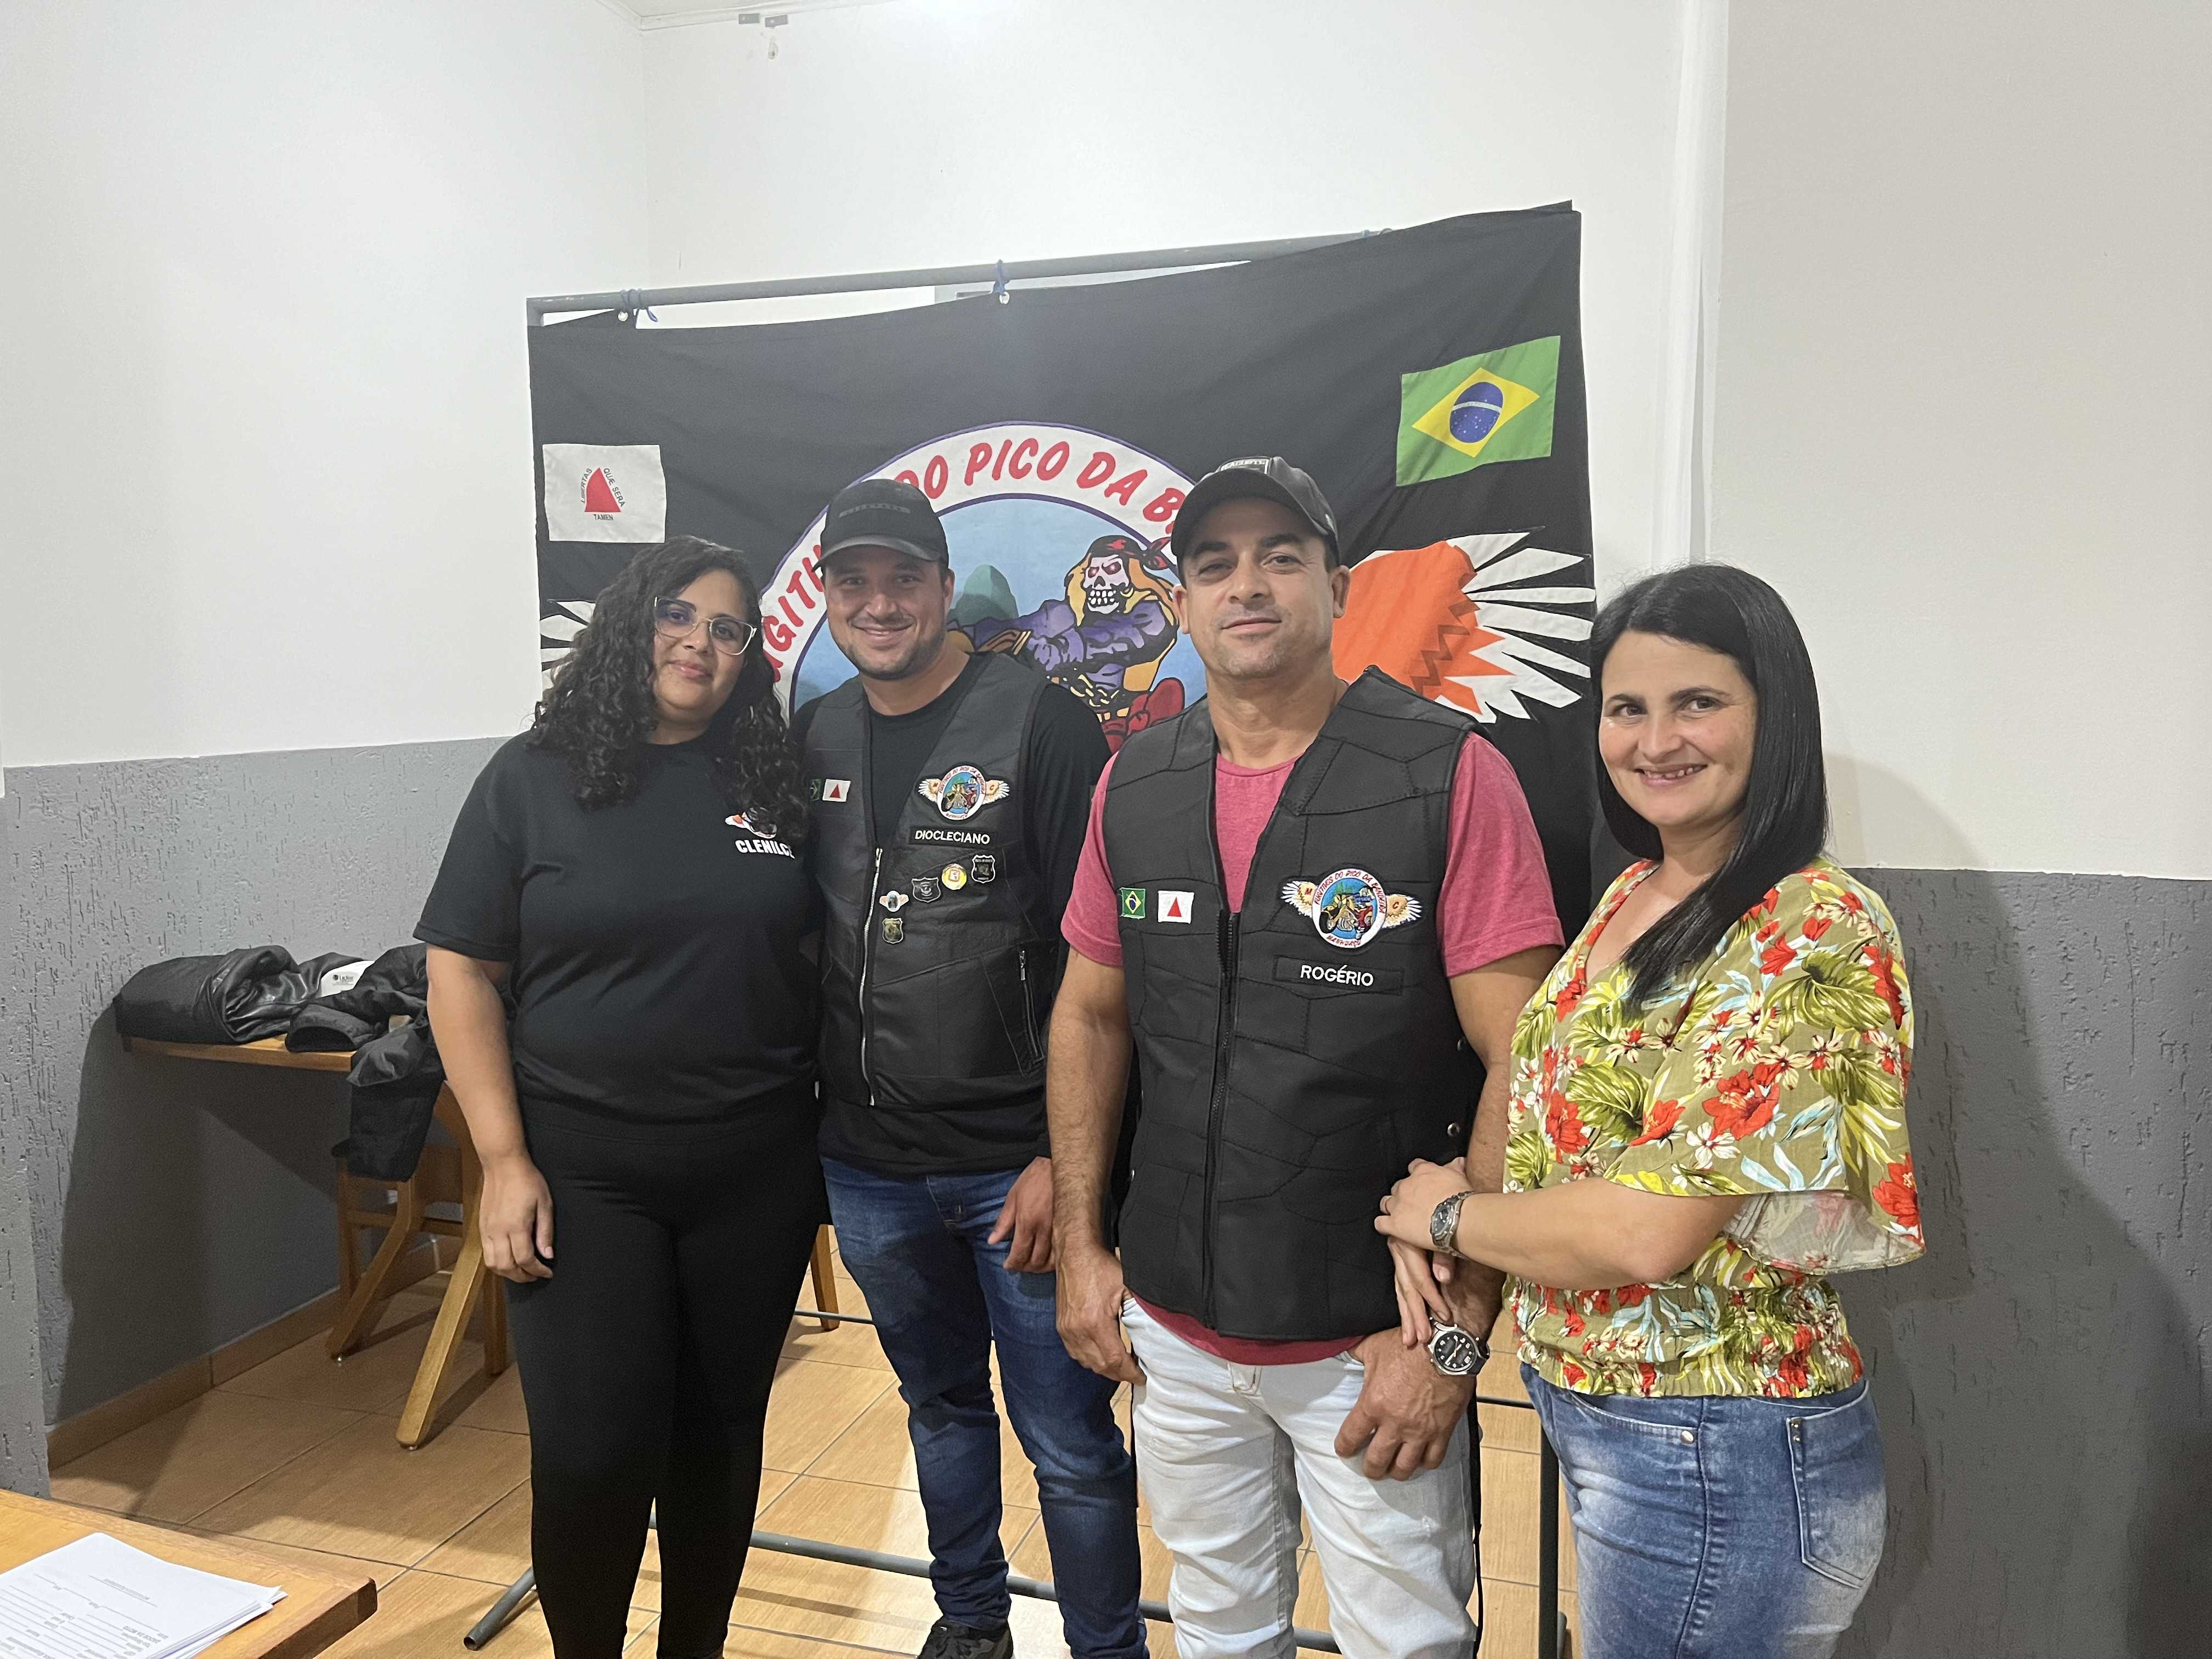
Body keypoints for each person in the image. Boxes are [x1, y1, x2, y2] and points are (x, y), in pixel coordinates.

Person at [1048, 457, 1566, 1658]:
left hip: (1372, 1341)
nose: (1248, 585)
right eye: (1215, 563)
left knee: (1405, 1640)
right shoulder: (1137, 780)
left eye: (1282, 556)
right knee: (1218, 1624)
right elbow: (1088, 1019)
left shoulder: (1447, 772)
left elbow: (1525, 1061)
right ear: (1182, 602)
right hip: (1176, 1331)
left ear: (1338, 587)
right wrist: (1082, 1248)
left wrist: (1454, 1339)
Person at [1375, 563, 1926, 1659]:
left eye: (1698, 703)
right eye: (1626, 708)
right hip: (1624, 1424)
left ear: (1774, 716)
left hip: (1714, 1446)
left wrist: (1446, 1216)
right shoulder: (1641, 889)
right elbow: (1558, 1132)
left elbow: (1646, 1230)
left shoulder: (1814, 930)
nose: (1656, 740)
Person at [419, 538, 821, 1659]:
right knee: (594, 1453)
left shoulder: (770, 779)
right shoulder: (532, 776)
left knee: (717, 1439)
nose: (700, 644)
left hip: (755, 1168)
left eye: (728, 629)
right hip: (582, 1170)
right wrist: (503, 1160)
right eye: (676, 616)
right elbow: (461, 970)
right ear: (629, 625)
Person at [793, 478, 1146, 1659]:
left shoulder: (1044, 724)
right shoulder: (817, 732)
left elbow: (1102, 966)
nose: (880, 603)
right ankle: (971, 1625)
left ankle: (1107, 1649)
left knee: (1070, 1444)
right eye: (855, 582)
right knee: (939, 1410)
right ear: (828, 596)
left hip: (1015, 1169)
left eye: (904, 579)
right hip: (869, 1168)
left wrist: (1064, 1163)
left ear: (945, 589)